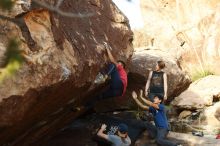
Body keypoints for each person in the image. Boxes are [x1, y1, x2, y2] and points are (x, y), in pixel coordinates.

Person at [73, 43, 127, 111]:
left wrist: (107, 48)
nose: (118, 63)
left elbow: (113, 61)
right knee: (99, 96)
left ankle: (103, 77)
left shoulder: (121, 69)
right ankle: (82, 107)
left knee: (113, 65)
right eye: (118, 62)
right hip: (117, 92)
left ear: (122, 66)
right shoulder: (117, 74)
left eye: (119, 63)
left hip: (119, 85)